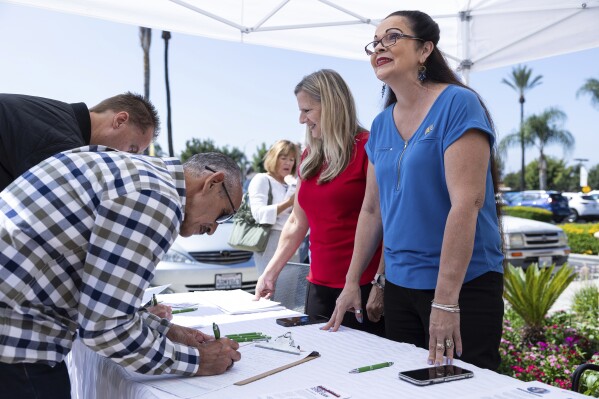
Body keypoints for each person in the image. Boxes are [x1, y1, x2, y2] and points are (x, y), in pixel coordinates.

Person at [323, 10, 504, 370]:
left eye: (392, 37)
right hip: (402, 287)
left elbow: (466, 203)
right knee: (404, 385)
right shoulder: (380, 125)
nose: (380, 47)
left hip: (463, 286)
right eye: (375, 43)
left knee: (465, 388)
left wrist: (446, 300)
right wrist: (353, 284)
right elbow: (373, 211)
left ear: (425, 51)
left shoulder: (457, 103)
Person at [0, 147, 243, 398]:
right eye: (223, 215)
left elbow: (101, 299)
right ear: (213, 182)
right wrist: (197, 361)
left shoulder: (132, 172)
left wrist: (167, 331)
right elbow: (105, 328)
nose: (213, 229)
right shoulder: (157, 199)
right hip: (16, 340)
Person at [254, 69, 385, 337]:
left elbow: (383, 219)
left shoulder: (369, 147)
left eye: (307, 110)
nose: (301, 119)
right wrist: (270, 272)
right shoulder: (309, 156)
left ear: (332, 106)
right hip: (318, 286)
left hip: (358, 288)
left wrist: (378, 285)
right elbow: (296, 221)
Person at [0, 92, 159, 191]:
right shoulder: (63, 144)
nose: (128, 158)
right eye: (132, 149)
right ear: (120, 120)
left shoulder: (57, 116)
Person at [248, 140, 300, 275]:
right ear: (273, 158)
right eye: (283, 158)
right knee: (270, 290)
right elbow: (258, 214)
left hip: (293, 241)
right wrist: (288, 203)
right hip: (270, 240)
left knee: (290, 290)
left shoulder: (292, 183)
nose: (288, 163)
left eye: (292, 159)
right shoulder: (262, 179)